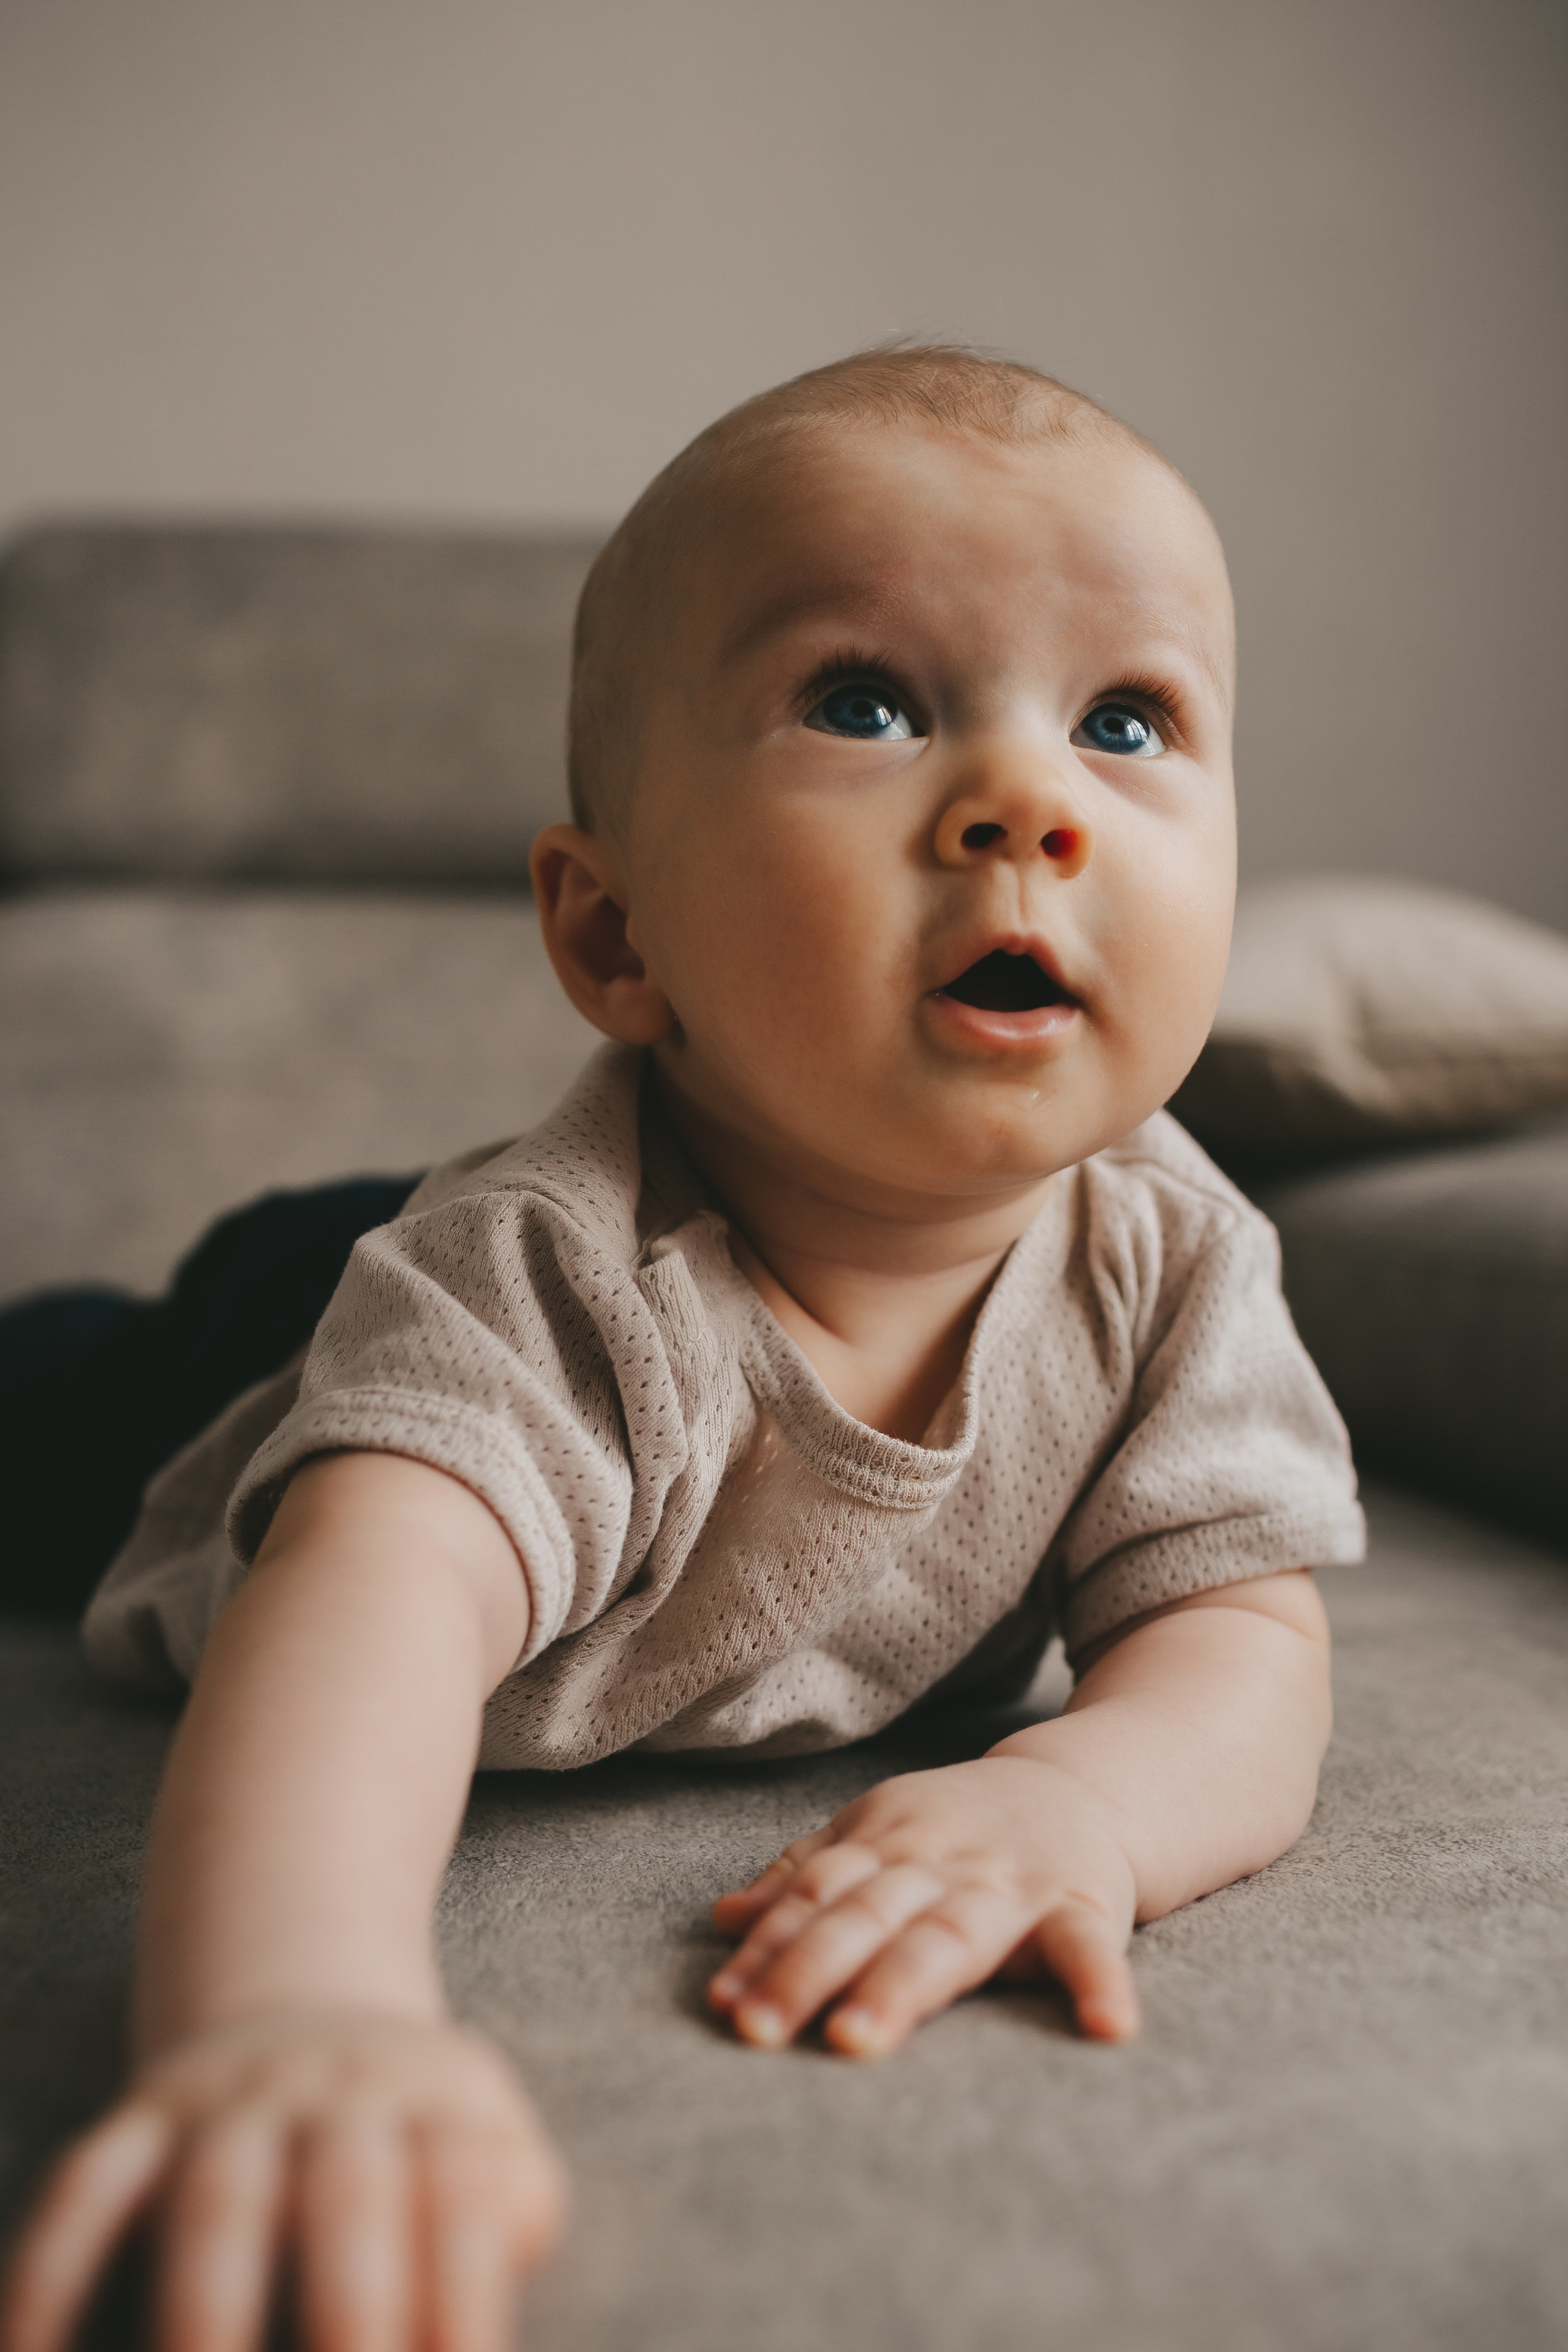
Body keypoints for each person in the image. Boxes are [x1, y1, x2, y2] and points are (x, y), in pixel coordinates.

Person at [2, 346, 1364, 2352]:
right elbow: (369, 1610)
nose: (1029, 801)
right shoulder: (548, 1286)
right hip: (260, 1337)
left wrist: (1087, 1798)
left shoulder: (1174, 1258)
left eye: (1129, 718)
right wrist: (297, 2010)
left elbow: (1245, 1646)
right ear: (616, 939)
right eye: (867, 701)